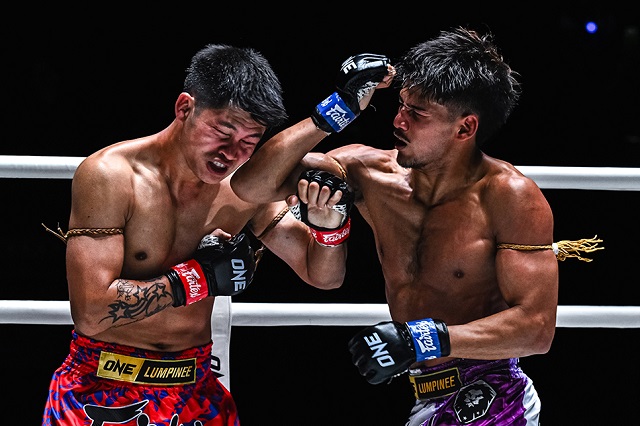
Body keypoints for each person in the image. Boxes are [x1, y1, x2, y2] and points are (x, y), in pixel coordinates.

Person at [230, 27, 563, 425]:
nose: (398, 120)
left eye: (417, 114)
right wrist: (337, 108)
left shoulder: (509, 197)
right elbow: (249, 185)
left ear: (464, 128)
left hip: (492, 395)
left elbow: (536, 329)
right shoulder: (368, 173)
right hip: (425, 393)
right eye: (402, 104)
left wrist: (419, 339)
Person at [42, 44, 386, 425]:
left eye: (249, 142)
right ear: (184, 108)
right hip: (101, 384)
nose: (230, 153)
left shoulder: (241, 189)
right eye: (222, 132)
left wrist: (329, 226)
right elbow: (91, 313)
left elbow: (322, 275)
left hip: (194, 390)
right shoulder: (110, 176)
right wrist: (199, 278)